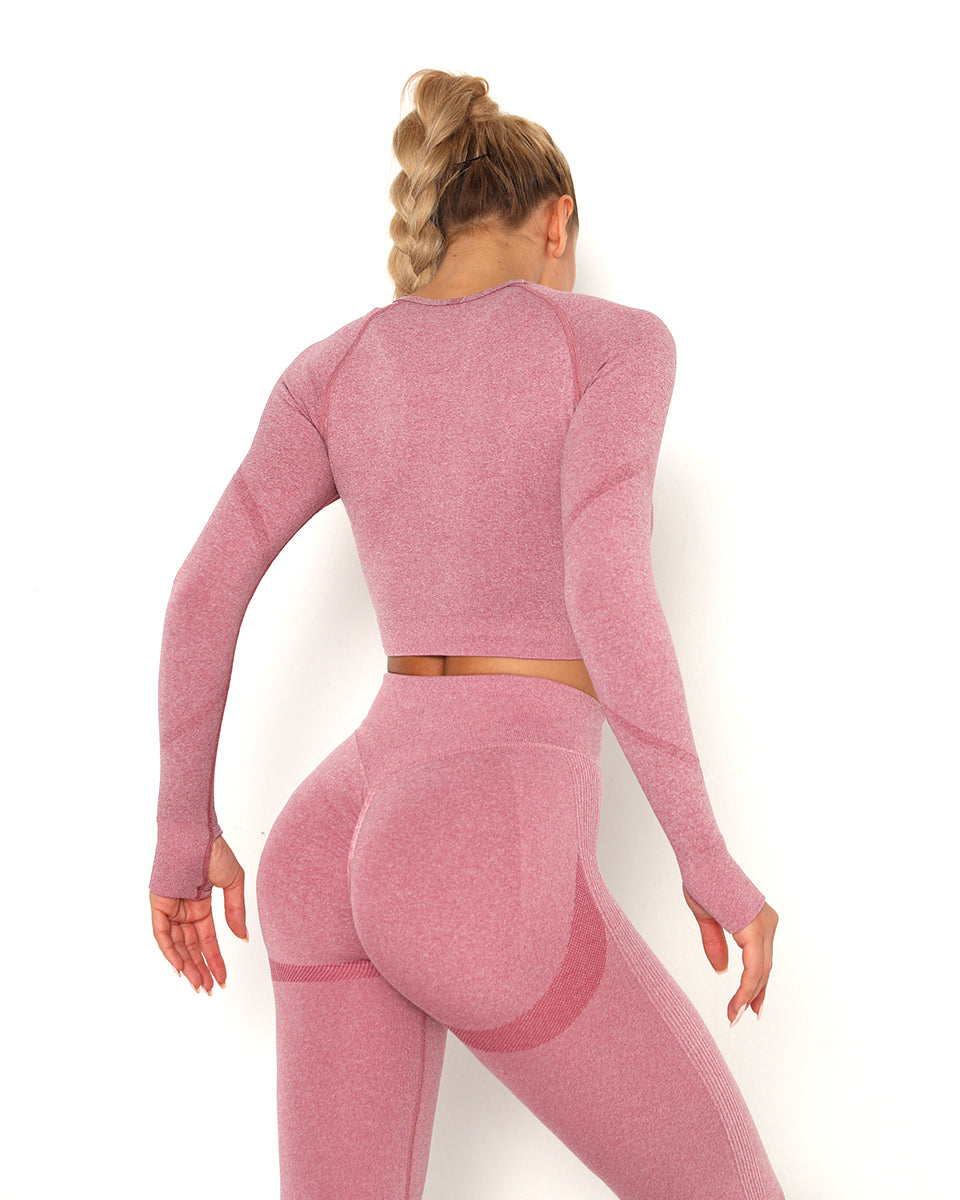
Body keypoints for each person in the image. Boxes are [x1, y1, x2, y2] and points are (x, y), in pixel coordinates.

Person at [148, 67, 783, 1200]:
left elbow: (202, 589)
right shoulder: (613, 345)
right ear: (558, 222)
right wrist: (703, 855)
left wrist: (179, 831)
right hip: (478, 839)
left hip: (329, 835)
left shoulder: (332, 370)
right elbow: (605, 588)